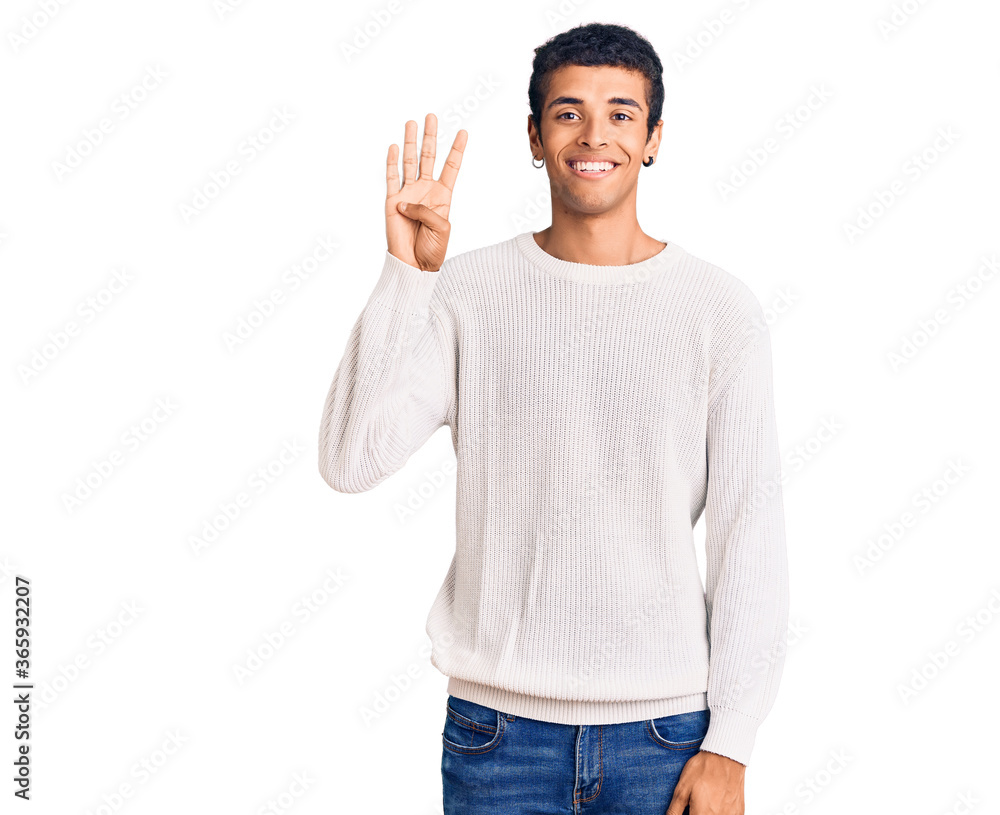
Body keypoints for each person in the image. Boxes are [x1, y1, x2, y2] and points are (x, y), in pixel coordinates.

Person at [318, 21, 789, 815]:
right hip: (497, 736)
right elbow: (350, 459)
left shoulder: (718, 310)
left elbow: (750, 535)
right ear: (534, 138)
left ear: (654, 139)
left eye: (621, 113)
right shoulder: (465, 293)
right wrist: (406, 274)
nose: (594, 134)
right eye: (568, 112)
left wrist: (732, 741)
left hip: (666, 738)